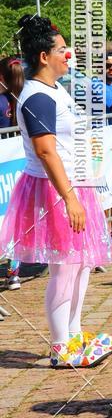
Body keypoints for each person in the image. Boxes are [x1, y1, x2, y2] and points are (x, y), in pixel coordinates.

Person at [0, 16, 112, 368]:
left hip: (73, 184)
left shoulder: (55, 89)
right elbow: (46, 150)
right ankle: (60, 346)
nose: (69, 55)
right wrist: (68, 197)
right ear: (43, 56)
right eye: (62, 50)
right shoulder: (37, 96)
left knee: (80, 264)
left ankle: (74, 333)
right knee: (65, 267)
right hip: (55, 189)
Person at [0, 56, 25, 291]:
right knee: (14, 218)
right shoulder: (24, 99)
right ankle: (13, 272)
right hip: (20, 165)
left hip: (6, 164)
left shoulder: (1, 102)